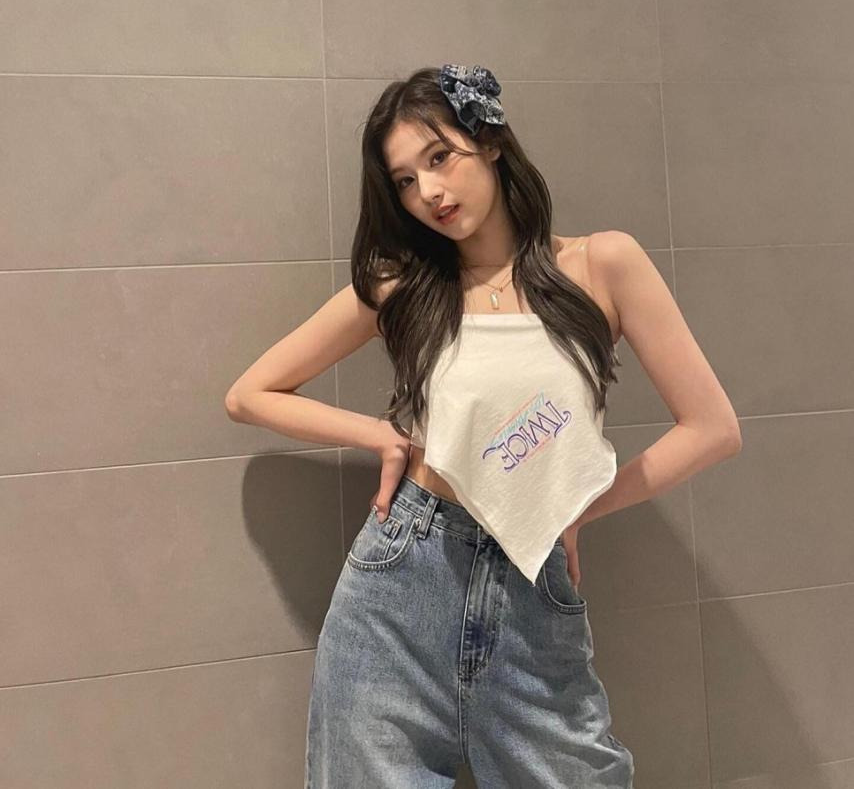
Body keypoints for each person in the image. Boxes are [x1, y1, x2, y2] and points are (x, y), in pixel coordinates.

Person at [225, 64, 742, 788]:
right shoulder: (403, 286)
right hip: (401, 585)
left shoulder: (603, 265)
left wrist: (581, 508)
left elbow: (713, 427)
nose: (429, 191)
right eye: (406, 181)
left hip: (534, 591)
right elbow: (250, 394)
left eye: (440, 157)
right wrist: (382, 435)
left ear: (491, 143)